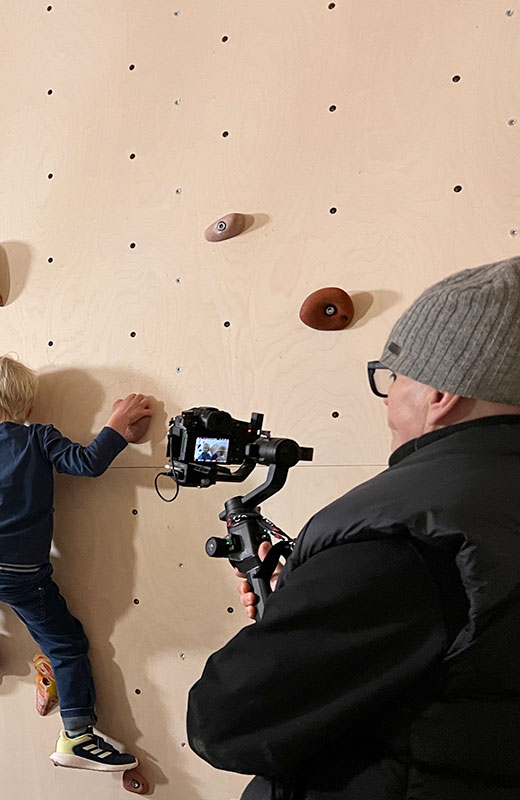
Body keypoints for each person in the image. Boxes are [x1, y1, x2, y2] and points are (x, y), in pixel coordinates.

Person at [187, 257, 520, 799]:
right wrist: (306, 597)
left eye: (393, 377)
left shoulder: (403, 537)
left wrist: (282, 626)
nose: (388, 399)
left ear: (441, 394)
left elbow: (227, 723)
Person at [0, 355, 153, 772]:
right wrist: (116, 426)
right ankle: (77, 734)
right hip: (23, 578)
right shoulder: (39, 438)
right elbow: (89, 463)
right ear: (25, 410)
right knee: (66, 645)